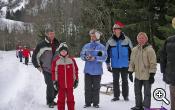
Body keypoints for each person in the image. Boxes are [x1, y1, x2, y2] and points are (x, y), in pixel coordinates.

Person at [32, 28, 60, 108]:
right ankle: (50, 101)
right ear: (46, 34)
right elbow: (35, 56)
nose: (52, 35)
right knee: (50, 84)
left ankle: (52, 98)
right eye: (50, 34)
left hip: (56, 69)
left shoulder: (57, 43)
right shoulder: (41, 45)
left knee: (58, 85)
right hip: (46, 68)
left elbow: (61, 54)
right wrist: (37, 66)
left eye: (53, 33)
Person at [128, 32, 157, 110]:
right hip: (137, 75)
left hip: (147, 76)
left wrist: (152, 74)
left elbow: (153, 63)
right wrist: (130, 72)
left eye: (142, 38)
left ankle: (145, 107)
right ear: (137, 39)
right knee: (137, 91)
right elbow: (132, 62)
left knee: (147, 93)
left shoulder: (150, 50)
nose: (141, 39)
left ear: (146, 39)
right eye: (139, 38)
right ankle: (138, 106)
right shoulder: (134, 50)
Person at [106, 21, 133, 101]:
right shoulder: (110, 41)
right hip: (115, 65)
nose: (116, 31)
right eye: (114, 29)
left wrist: (131, 63)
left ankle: (125, 96)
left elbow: (132, 52)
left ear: (120, 30)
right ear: (113, 31)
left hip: (125, 64)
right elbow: (106, 53)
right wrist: (108, 64)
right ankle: (116, 96)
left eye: (117, 29)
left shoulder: (127, 40)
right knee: (115, 81)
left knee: (125, 81)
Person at [80, 29, 107, 108]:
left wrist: (95, 58)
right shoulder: (86, 46)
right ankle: (87, 103)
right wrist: (86, 57)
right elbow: (82, 54)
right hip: (88, 71)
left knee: (96, 88)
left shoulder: (101, 47)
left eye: (94, 36)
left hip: (97, 71)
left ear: (97, 37)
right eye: (91, 36)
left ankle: (96, 103)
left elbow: (104, 57)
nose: (92, 37)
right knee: (87, 88)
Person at [51, 43, 79, 110]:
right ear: (59, 52)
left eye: (65, 51)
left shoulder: (71, 60)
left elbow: (75, 71)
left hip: (70, 84)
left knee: (70, 99)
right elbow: (54, 72)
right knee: (61, 100)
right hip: (60, 85)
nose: (63, 52)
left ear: (67, 51)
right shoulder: (56, 61)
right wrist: (55, 81)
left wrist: (76, 80)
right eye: (62, 51)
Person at [160, 17, 175, 110]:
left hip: (172, 77)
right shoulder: (168, 40)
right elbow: (163, 58)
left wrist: (164, 72)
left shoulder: (168, 40)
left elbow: (162, 59)